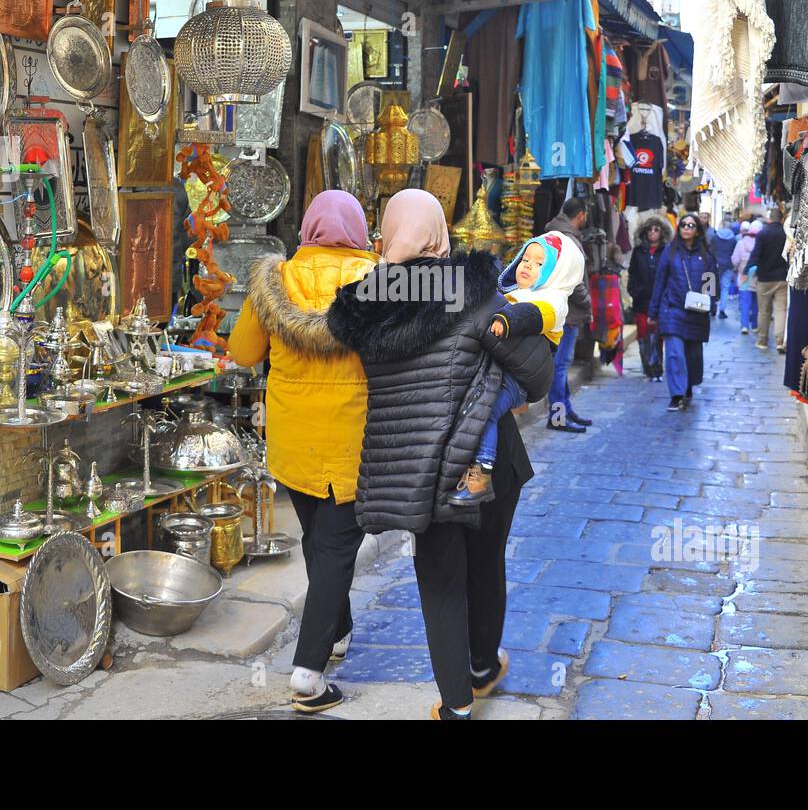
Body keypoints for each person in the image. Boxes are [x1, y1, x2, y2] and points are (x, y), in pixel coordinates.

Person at [327, 190, 553, 720]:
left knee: (439, 575)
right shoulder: (471, 291)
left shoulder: (365, 302)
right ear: (437, 232)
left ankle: (456, 704)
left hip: (414, 466)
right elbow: (537, 378)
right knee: (486, 559)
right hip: (487, 459)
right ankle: (480, 666)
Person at [227, 191, 380, 714]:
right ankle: (308, 677)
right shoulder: (382, 280)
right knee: (335, 550)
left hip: (293, 441)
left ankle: (337, 629)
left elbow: (243, 353)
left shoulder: (274, 280)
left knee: (319, 540)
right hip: (352, 439)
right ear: (358, 229)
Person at [454, 231, 584, 504]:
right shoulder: (517, 293)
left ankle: (481, 473)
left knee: (485, 412)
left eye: (539, 264)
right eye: (526, 259)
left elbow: (533, 316)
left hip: (517, 380)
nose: (527, 266)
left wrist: (506, 319)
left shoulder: (553, 300)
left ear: (557, 273)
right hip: (503, 370)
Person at [648, 212, 717, 411]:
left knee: (692, 354)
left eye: (691, 225)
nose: (686, 228)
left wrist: (710, 304)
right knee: (674, 353)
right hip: (672, 310)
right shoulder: (670, 252)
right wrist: (653, 311)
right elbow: (660, 282)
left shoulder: (706, 255)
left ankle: (687, 386)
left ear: (697, 231)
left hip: (697, 312)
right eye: (683, 225)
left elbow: (710, 284)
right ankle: (676, 394)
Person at [544, 197, 594, 432]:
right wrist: (586, 303)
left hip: (560, 309)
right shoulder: (568, 239)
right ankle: (557, 416)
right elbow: (574, 280)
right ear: (581, 215)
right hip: (567, 312)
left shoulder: (556, 234)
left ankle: (566, 409)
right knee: (560, 365)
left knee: (561, 364)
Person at [626, 212, 672, 381]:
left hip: (661, 302)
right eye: (650, 229)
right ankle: (648, 366)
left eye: (656, 229)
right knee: (643, 335)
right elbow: (632, 273)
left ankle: (657, 367)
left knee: (658, 336)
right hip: (641, 301)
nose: (653, 232)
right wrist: (635, 291)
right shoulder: (639, 251)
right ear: (645, 232)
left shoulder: (667, 251)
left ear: (662, 232)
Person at [750, 207, 789, 352]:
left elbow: (756, 255)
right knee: (781, 310)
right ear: (782, 219)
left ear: (769, 218)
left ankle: (762, 340)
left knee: (764, 311)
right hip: (782, 278)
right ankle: (780, 341)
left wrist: (750, 270)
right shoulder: (786, 233)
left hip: (764, 278)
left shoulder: (762, 234)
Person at [731, 220, 761, 335]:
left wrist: (738, 267)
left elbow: (735, 260)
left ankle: (744, 326)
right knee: (755, 302)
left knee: (744, 302)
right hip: (758, 276)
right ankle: (754, 325)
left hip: (744, 276)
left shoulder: (741, 243)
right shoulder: (760, 243)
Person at [709, 216, 738, 320]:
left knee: (712, 287)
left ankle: (712, 308)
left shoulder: (715, 238)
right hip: (728, 266)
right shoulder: (733, 240)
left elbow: (711, 251)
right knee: (725, 288)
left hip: (715, 265)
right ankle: (722, 311)